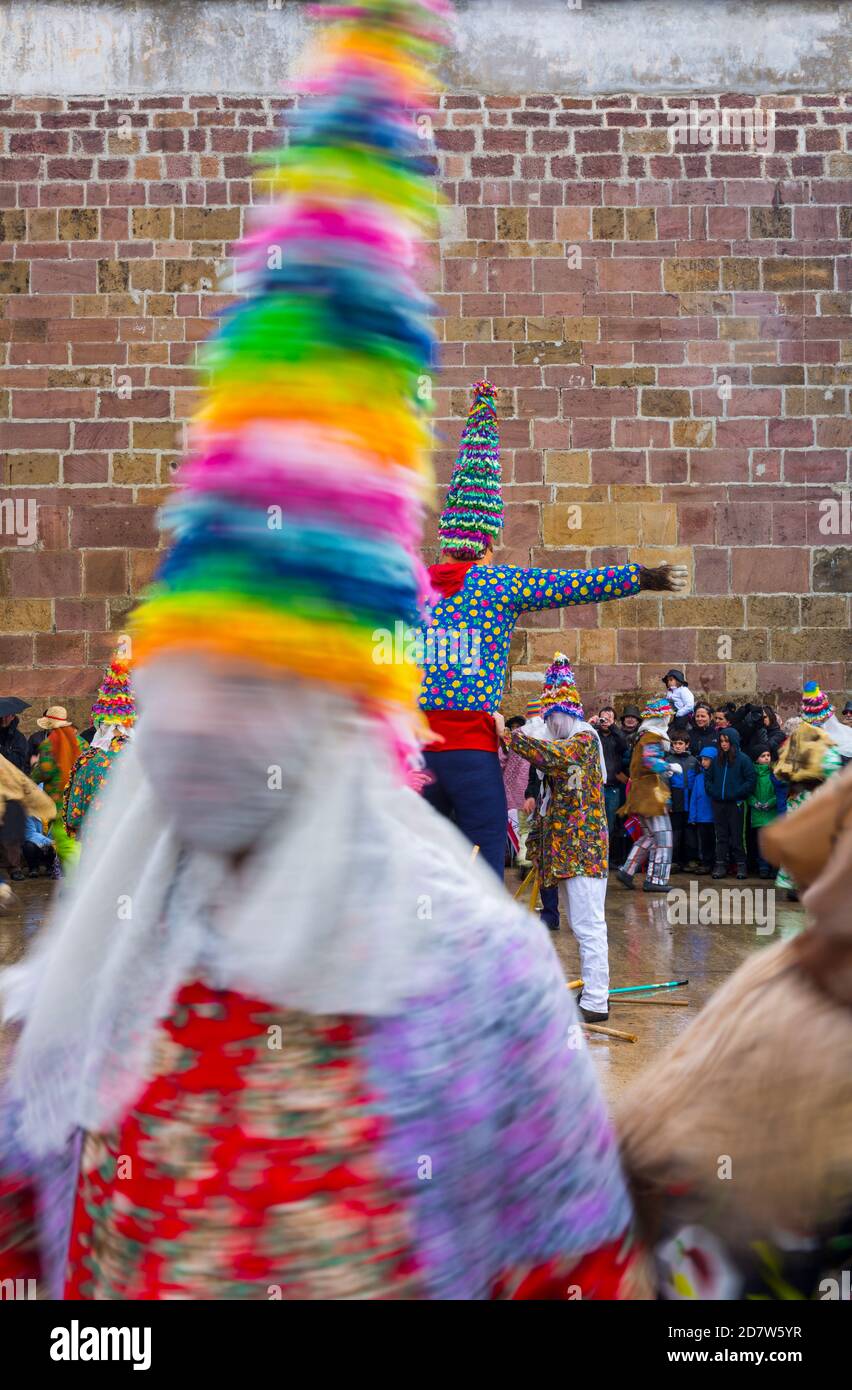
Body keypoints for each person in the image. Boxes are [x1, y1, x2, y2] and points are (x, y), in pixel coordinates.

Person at [0, 0, 644, 1303]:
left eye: (253, 683)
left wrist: (634, 573)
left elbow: (562, 1266)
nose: (196, 726)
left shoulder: (479, 979)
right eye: (193, 670)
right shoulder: (113, 948)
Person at [418, 378, 688, 878]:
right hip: (472, 749)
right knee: (481, 862)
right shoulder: (497, 583)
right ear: (488, 542)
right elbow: (575, 584)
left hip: (417, 752)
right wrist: (642, 576)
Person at [615, 763, 852, 1300]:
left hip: (687, 1216)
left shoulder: (781, 976)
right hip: (729, 1232)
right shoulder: (807, 1001)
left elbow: (797, 838)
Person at [502, 655, 611, 1023]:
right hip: (569, 849)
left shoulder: (582, 741)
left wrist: (510, 736)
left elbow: (551, 754)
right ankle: (593, 989)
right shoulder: (573, 738)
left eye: (551, 719)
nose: (549, 726)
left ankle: (596, 1000)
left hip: (584, 849)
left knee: (588, 923)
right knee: (583, 923)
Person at [774, 682, 845, 901]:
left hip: (801, 799)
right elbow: (832, 767)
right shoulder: (823, 742)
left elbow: (781, 769)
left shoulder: (797, 740)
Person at [64, 654, 136, 844]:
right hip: (134, 843)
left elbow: (73, 816)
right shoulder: (143, 758)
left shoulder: (88, 760)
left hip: (96, 842)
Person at [616, 696, 677, 894]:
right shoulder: (652, 736)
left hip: (640, 794)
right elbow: (651, 761)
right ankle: (656, 879)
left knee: (649, 836)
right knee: (663, 838)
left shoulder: (642, 736)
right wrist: (670, 767)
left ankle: (627, 870)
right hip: (651, 795)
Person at [32, 708, 87, 873]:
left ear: (49, 725)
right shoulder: (82, 743)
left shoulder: (49, 745)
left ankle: (76, 879)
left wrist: (35, 767)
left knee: (64, 842)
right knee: (76, 840)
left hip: (58, 803)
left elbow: (44, 772)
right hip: (79, 800)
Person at [0, 753, 55, 910]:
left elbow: (23, 782)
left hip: (11, 810)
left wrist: (44, 806)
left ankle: (2, 890)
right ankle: (2, 890)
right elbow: (23, 781)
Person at [704, 728, 756, 880]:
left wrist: (737, 793)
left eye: (726, 741)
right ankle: (720, 864)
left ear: (733, 741)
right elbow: (708, 778)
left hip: (736, 804)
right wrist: (713, 792)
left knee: (737, 835)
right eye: (721, 741)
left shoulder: (743, 759)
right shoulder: (717, 760)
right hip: (718, 803)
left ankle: (741, 865)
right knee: (721, 835)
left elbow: (751, 780)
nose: (724, 744)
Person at [0, 701, 32, 885]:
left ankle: (15, 867)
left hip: (11, 788)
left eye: (8, 716)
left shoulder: (18, 738)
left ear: (12, 716)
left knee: (11, 829)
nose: (5, 719)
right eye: (2, 716)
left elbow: (20, 762)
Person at [746, 743, 784, 879]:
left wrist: (771, 802)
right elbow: (748, 792)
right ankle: (763, 867)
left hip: (772, 814)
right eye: (763, 756)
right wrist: (754, 802)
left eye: (768, 755)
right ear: (756, 759)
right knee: (761, 843)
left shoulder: (774, 774)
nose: (767, 758)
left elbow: (778, 793)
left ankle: (775, 867)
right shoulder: (752, 775)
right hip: (758, 814)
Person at [498, 714, 528, 864]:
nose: (516, 730)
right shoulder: (531, 739)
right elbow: (501, 759)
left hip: (523, 791)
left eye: (518, 727)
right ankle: (518, 858)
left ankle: (522, 858)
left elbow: (500, 760)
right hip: (513, 789)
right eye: (513, 727)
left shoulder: (513, 740)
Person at [665, 732, 696, 873]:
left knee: (690, 833)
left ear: (687, 744)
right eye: (675, 743)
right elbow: (665, 783)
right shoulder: (668, 760)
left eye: (680, 743)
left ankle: (690, 860)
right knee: (675, 833)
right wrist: (668, 802)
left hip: (690, 799)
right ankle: (674, 861)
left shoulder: (693, 761)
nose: (677, 746)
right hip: (676, 800)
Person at [598, 706, 627, 842]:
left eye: (609, 718)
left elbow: (624, 745)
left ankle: (606, 860)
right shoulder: (594, 734)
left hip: (612, 787)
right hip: (596, 787)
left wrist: (613, 727)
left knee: (609, 825)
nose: (605, 721)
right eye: (603, 718)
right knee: (594, 823)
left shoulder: (617, 736)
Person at [687, 745, 717, 874]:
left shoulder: (718, 777)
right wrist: (692, 816)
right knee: (704, 843)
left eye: (707, 759)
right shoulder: (699, 778)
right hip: (701, 817)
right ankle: (705, 863)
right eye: (702, 759)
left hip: (714, 817)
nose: (703, 762)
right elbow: (694, 798)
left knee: (715, 841)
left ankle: (716, 863)